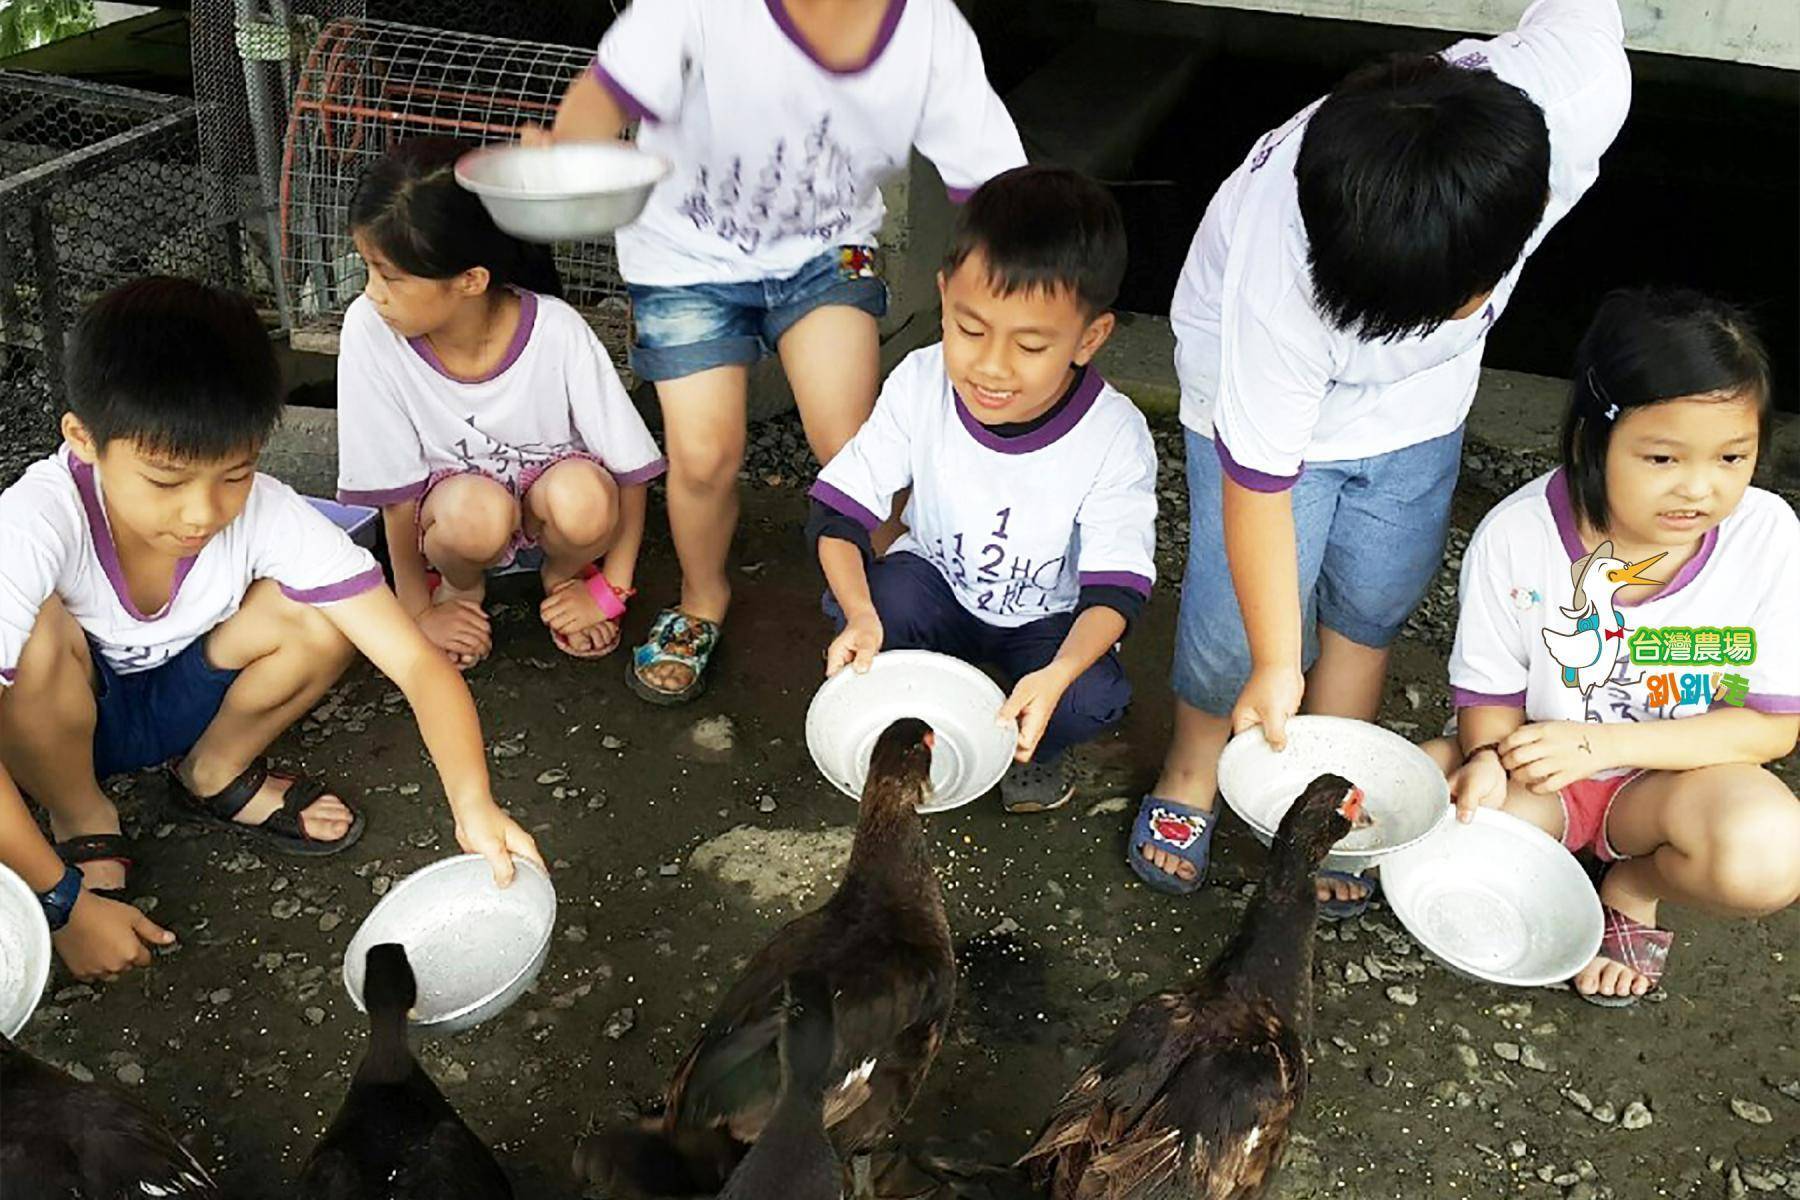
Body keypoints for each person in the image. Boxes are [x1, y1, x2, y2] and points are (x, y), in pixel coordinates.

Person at [1134, 0, 1633, 905]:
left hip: (1422, 413)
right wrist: (1276, 662)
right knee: (1235, 629)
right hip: (1249, 406)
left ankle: (1331, 791)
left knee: (1372, 601)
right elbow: (1258, 490)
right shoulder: (1275, 285)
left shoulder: (1577, 92)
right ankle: (1192, 767)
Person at [0, 278, 543, 984]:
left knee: (322, 614)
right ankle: (79, 818)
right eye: (165, 481)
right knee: (34, 632)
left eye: (234, 474)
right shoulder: (33, 521)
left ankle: (212, 771)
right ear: (84, 439)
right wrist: (61, 903)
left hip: (181, 698)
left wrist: (475, 805)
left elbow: (414, 663)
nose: (201, 513)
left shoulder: (267, 511)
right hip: (55, 720)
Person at [537, 0, 1027, 704]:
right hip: (681, 252)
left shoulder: (927, 29)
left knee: (855, 444)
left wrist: (1034, 302)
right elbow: (602, 93)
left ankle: (912, 594)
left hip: (828, 250)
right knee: (704, 455)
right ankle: (703, 597)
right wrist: (570, 150)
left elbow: (1003, 192)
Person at [1436, 287, 1798, 1005]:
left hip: (1672, 785)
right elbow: (1491, 695)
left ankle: (1634, 884)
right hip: (1539, 774)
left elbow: (1773, 725)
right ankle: (1540, 861)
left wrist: (1600, 747)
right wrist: (1481, 760)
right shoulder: (1517, 535)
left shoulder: (1769, 536)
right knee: (1439, 822)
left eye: (1733, 456)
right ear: (1591, 439)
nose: (1700, 488)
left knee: (1769, 855)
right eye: (1662, 458)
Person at [810, 165, 1155, 813]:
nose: (991, 366)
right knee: (876, 601)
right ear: (943, 297)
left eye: (1029, 345)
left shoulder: (1114, 435)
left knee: (1092, 695)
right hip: (935, 588)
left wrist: (1057, 672)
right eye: (970, 329)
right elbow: (838, 512)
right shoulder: (920, 381)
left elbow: (1117, 588)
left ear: (1090, 338)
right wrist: (859, 613)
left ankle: (1036, 742)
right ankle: (915, 721)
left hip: (1044, 619)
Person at [336, 137, 666, 668]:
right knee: (476, 512)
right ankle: (461, 589)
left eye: (390, 276)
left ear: (470, 280)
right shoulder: (369, 329)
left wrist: (611, 590)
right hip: (453, 527)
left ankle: (562, 575)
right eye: (369, 269)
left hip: (552, 516)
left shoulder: (556, 330)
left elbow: (631, 472)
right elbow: (394, 495)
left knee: (586, 498)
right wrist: (416, 610)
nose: (373, 292)